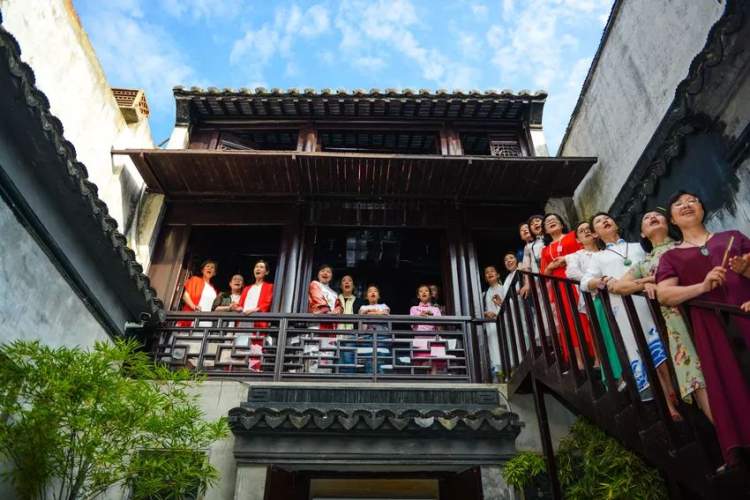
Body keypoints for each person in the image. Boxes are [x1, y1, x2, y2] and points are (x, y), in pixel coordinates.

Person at [656, 191, 750, 466]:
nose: (686, 205)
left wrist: (745, 271)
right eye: (678, 204)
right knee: (733, 386)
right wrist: (702, 286)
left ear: (702, 209)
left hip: (746, 314)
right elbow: (664, 294)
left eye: (692, 200)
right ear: (672, 220)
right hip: (713, 331)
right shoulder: (671, 257)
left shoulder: (732, 237)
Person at [609, 210, 710, 421]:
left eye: (657, 215)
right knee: (694, 372)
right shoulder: (645, 263)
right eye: (646, 218)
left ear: (669, 222)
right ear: (642, 234)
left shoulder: (685, 245)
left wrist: (655, 280)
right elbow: (618, 286)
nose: (652, 218)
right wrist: (644, 283)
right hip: (675, 322)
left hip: (705, 310)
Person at [581, 213, 670, 403]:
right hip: (621, 305)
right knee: (641, 349)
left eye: (607, 218)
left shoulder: (639, 246)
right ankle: (667, 404)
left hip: (649, 298)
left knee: (661, 342)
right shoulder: (598, 257)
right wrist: (602, 280)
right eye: (598, 222)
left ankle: (673, 393)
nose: (605, 221)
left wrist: (647, 280)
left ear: (616, 224)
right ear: (595, 234)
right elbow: (585, 282)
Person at [565, 221, 623, 385]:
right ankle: (614, 374)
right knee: (605, 335)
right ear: (578, 239)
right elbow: (572, 273)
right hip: (594, 297)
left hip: (617, 293)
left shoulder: (607, 251)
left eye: (588, 229)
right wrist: (594, 281)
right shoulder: (576, 256)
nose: (586, 232)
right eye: (581, 231)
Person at [540, 213, 596, 369]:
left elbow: (585, 251)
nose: (551, 221)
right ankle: (578, 361)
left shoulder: (573, 236)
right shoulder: (545, 250)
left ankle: (597, 357)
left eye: (554, 219)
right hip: (559, 287)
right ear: (545, 230)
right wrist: (551, 266)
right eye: (547, 221)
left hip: (577, 281)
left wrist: (567, 259)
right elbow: (544, 274)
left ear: (562, 224)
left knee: (586, 317)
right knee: (568, 322)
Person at [237, 260, 274, 372]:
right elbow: (240, 304)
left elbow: (267, 302)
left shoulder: (269, 287)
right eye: (256, 267)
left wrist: (254, 310)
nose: (258, 269)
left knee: (256, 347)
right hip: (244, 319)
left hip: (257, 320)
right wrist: (238, 307)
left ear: (266, 272)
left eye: (261, 267)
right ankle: (239, 369)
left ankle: (254, 369)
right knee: (241, 345)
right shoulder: (247, 288)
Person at [306, 264, 342, 372]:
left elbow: (339, 307)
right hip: (317, 325)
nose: (325, 273)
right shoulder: (314, 284)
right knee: (314, 356)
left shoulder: (334, 293)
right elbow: (317, 300)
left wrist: (337, 311)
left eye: (328, 272)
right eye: (322, 271)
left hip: (330, 328)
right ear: (318, 274)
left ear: (331, 276)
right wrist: (330, 312)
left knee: (327, 357)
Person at [409, 284, 444, 373]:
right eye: (421, 291)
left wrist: (432, 317)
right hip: (420, 339)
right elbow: (411, 324)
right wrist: (419, 316)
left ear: (430, 294)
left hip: (433, 338)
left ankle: (434, 379)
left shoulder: (435, 309)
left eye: (426, 291)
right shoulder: (414, 308)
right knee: (422, 363)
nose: (424, 292)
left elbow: (440, 326)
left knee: (433, 363)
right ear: (418, 296)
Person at [357, 285, 392, 373]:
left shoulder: (384, 305)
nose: (373, 292)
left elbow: (385, 313)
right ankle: (370, 379)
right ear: (366, 296)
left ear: (378, 296)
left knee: (381, 359)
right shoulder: (363, 307)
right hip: (367, 337)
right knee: (369, 360)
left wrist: (369, 313)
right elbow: (361, 316)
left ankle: (381, 379)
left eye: (375, 291)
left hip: (382, 336)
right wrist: (377, 312)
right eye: (370, 291)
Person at [178, 260, 218, 328]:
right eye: (207, 266)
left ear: (214, 273)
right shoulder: (195, 280)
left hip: (206, 321)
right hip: (192, 317)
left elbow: (214, 307)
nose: (209, 268)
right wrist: (193, 306)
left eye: (212, 267)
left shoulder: (214, 289)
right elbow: (185, 295)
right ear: (202, 270)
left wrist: (229, 307)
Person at [483, 265, 503, 378]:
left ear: (498, 275)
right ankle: (499, 373)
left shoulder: (503, 288)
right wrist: (486, 313)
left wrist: (496, 313)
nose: (489, 273)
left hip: (503, 322)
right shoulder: (484, 294)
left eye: (492, 271)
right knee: (494, 347)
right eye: (487, 272)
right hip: (490, 325)